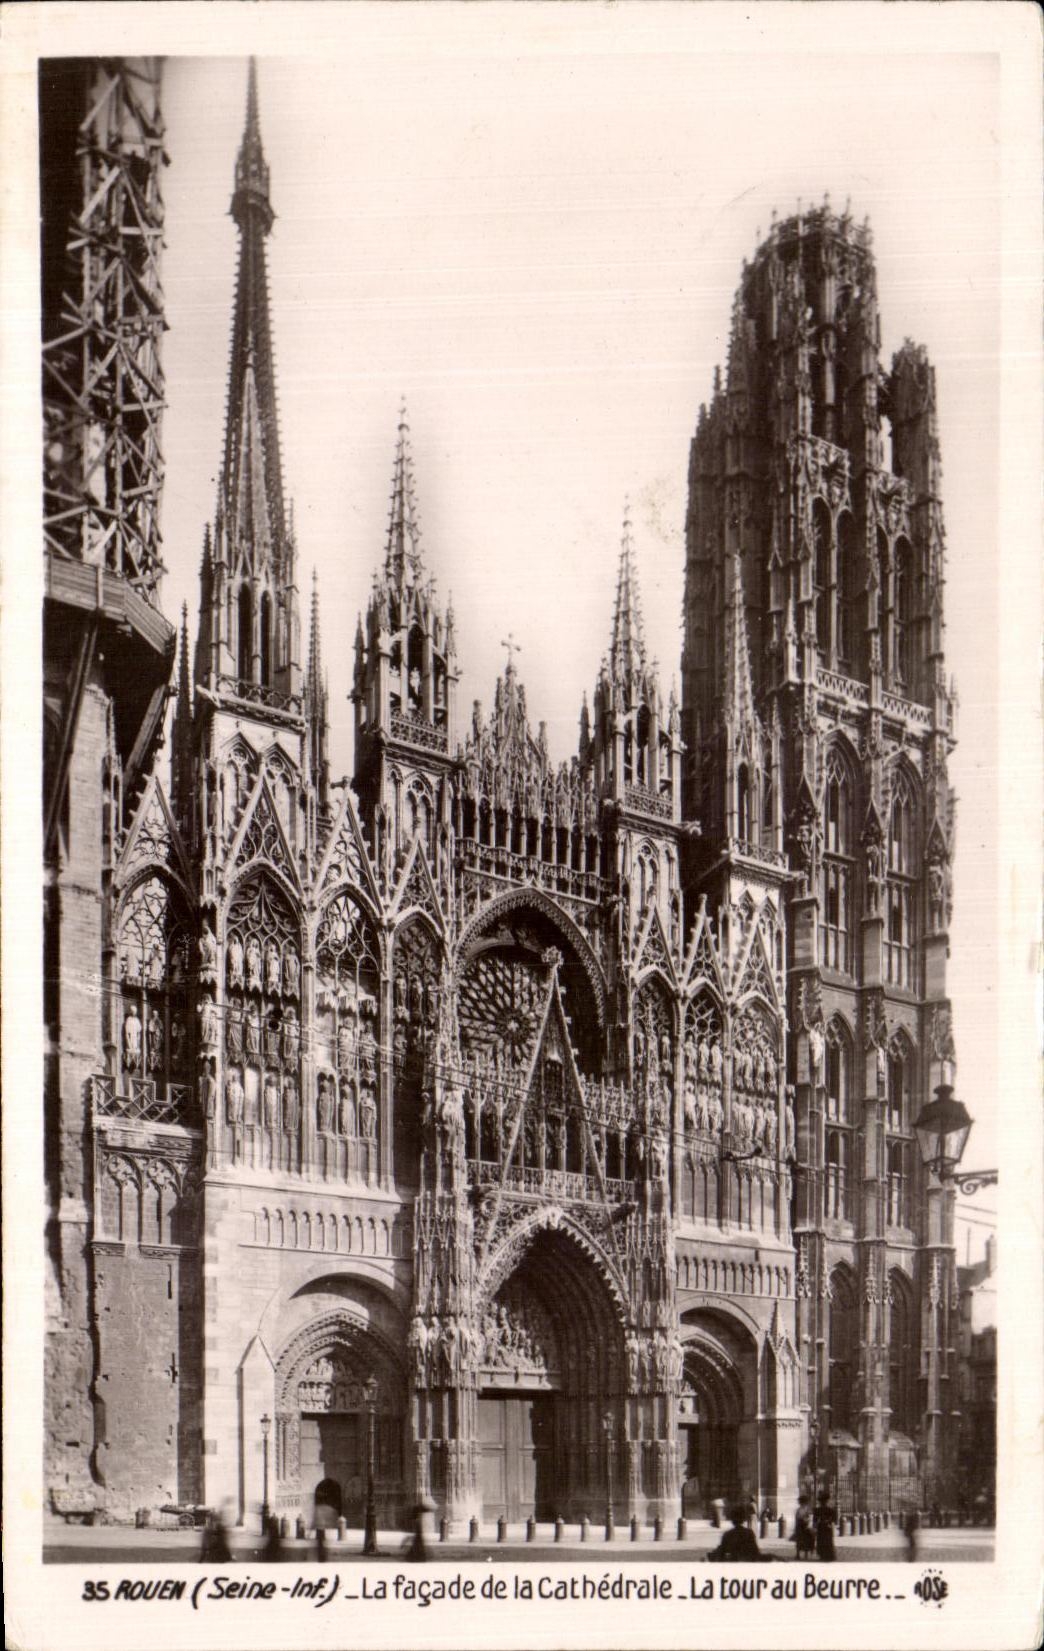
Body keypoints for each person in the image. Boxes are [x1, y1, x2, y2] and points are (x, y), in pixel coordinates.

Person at [814, 1490, 837, 1561]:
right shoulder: (830, 1510)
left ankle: (822, 1555)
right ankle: (828, 1555)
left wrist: (815, 1526)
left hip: (821, 1526)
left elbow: (815, 1520)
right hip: (827, 1526)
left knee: (821, 1540)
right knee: (828, 1540)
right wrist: (829, 1521)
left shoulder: (817, 1510)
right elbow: (834, 1519)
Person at [793, 1493, 814, 1560]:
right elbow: (797, 1518)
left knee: (805, 1541)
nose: (802, 1503)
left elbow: (809, 1517)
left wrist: (807, 1522)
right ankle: (799, 1554)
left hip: (804, 1526)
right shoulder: (801, 1509)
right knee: (800, 1541)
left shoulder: (803, 1510)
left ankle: (804, 1554)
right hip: (801, 1526)